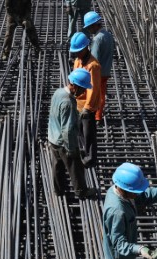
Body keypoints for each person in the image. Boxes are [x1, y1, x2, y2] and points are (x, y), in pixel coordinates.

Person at [48, 68, 96, 199]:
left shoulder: (58, 92)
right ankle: (81, 192)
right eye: (83, 88)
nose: (84, 91)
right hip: (64, 142)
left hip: (52, 138)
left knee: (57, 166)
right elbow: (67, 129)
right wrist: (71, 149)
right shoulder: (68, 102)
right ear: (74, 85)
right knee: (76, 168)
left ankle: (59, 191)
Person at [70, 32, 102, 168]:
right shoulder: (77, 61)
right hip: (77, 103)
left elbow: (93, 89)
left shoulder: (93, 65)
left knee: (88, 134)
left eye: (79, 51)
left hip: (87, 107)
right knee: (79, 133)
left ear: (86, 48)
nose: (76, 54)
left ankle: (90, 159)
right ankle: (83, 153)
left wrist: (87, 108)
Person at [84, 12, 115, 121]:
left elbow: (94, 59)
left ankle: (96, 116)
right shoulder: (108, 35)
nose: (88, 30)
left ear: (94, 25)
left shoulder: (97, 39)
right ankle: (98, 115)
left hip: (98, 72)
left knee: (96, 95)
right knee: (101, 94)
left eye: (88, 27)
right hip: (106, 70)